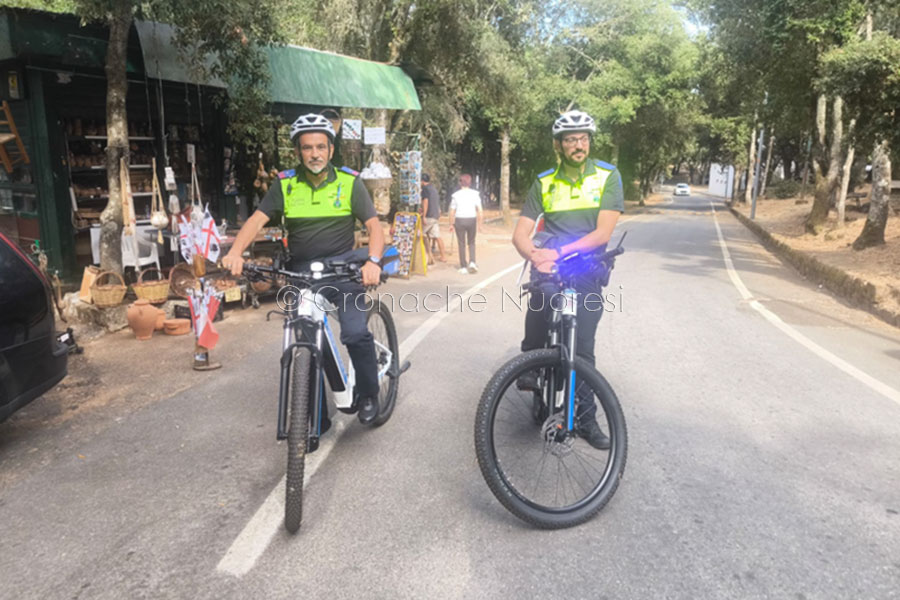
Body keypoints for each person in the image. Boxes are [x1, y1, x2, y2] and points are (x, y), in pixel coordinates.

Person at [222, 113, 385, 426]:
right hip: (301, 275)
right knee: (306, 338)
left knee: (354, 333)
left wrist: (372, 262)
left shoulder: (350, 182)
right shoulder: (284, 185)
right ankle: (315, 417)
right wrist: (235, 253)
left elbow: (374, 227)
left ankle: (368, 393)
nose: (315, 154)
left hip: (343, 273)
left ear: (331, 150)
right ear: (298, 151)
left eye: (321, 147)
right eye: (308, 148)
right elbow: (256, 221)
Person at [511, 110, 624, 450]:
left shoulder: (607, 176)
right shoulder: (544, 181)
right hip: (551, 264)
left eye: (584, 138)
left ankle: (586, 419)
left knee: (584, 347)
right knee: (540, 297)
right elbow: (520, 234)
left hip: (587, 265)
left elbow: (603, 232)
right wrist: (535, 255)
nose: (579, 145)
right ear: (558, 145)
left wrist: (560, 253)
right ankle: (531, 360)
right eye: (572, 139)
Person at [448, 174, 483, 274]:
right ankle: (472, 261)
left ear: (460, 183)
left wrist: (451, 224)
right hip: (472, 219)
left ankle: (463, 266)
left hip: (459, 219)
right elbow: (480, 210)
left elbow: (452, 211)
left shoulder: (456, 195)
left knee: (461, 243)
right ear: (470, 182)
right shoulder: (475, 194)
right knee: (471, 242)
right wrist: (480, 224)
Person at [420, 173, 446, 264]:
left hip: (429, 216)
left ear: (422, 181)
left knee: (419, 234)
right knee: (437, 236)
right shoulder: (433, 189)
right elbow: (436, 202)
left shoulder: (425, 189)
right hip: (435, 216)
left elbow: (425, 202)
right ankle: (443, 257)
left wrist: (424, 216)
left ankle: (425, 256)